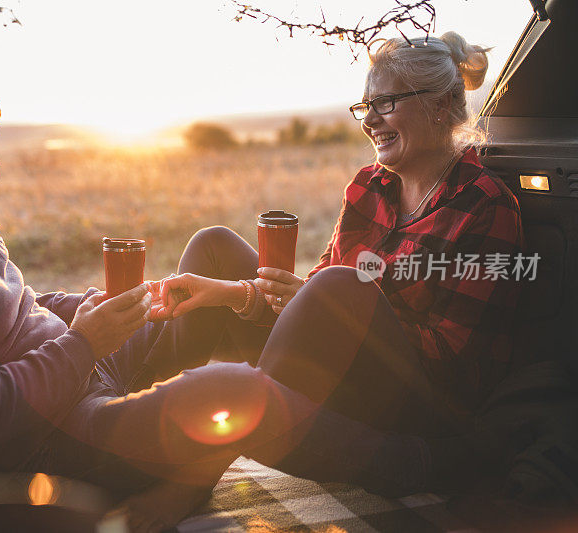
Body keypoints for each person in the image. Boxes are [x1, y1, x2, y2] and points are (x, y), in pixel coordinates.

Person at [0, 46, 516, 533]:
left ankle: (218, 452)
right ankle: (361, 450)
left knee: (231, 272)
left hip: (412, 385)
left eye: (385, 104)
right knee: (233, 367)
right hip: (52, 428)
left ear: (441, 109)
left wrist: (81, 309)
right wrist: (88, 341)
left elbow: (12, 310)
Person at [156, 31, 524, 441]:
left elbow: (454, 363)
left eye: (385, 103)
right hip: (332, 365)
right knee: (214, 245)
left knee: (340, 286)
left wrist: (343, 313)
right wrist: (236, 294)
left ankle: (193, 471)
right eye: (367, 106)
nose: (369, 121)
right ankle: (147, 432)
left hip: (418, 416)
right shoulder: (368, 186)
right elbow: (308, 299)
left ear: (438, 106)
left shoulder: (486, 205)